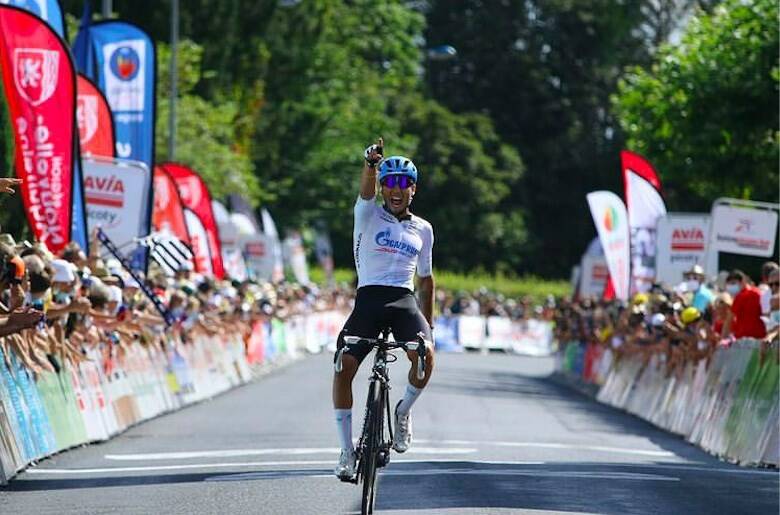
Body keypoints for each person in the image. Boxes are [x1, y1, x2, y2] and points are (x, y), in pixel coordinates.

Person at [332, 138, 435, 480]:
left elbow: (426, 280)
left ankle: (403, 411)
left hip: (403, 301)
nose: (395, 189)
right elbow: (364, 190)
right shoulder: (367, 213)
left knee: (426, 356)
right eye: (388, 182)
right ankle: (347, 451)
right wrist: (370, 164)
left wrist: (428, 327)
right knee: (344, 365)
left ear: (412, 189)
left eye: (402, 183)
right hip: (370, 299)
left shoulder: (424, 229)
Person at [723, 269, 766, 340]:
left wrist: (723, 339)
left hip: (744, 339)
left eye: (733, 283)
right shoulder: (759, 293)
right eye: (729, 284)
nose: (731, 286)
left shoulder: (740, 296)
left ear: (742, 281)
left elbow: (729, 320)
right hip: (760, 337)